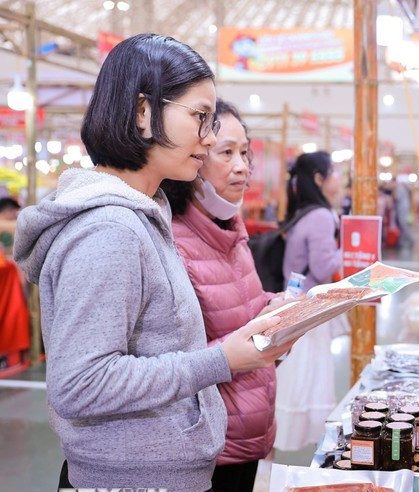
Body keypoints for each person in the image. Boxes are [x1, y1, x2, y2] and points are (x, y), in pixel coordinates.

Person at [13, 34, 292, 492]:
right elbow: (81, 383)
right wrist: (221, 360)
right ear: (143, 112)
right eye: (200, 117)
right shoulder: (110, 230)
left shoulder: (144, 214)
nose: (208, 137)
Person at [161, 99, 287, 492]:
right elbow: (171, 362)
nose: (242, 166)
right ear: (194, 158)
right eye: (226, 152)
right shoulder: (173, 245)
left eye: (245, 152)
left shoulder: (233, 230)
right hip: (211, 447)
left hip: (252, 435)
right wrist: (240, 349)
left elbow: (241, 311)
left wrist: (279, 311)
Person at [274, 151, 345, 451]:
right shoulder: (321, 216)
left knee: (294, 381)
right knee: (305, 382)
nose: (339, 178)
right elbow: (323, 266)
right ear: (319, 178)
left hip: (295, 304)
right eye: (334, 171)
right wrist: (350, 250)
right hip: (309, 309)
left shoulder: (305, 211)